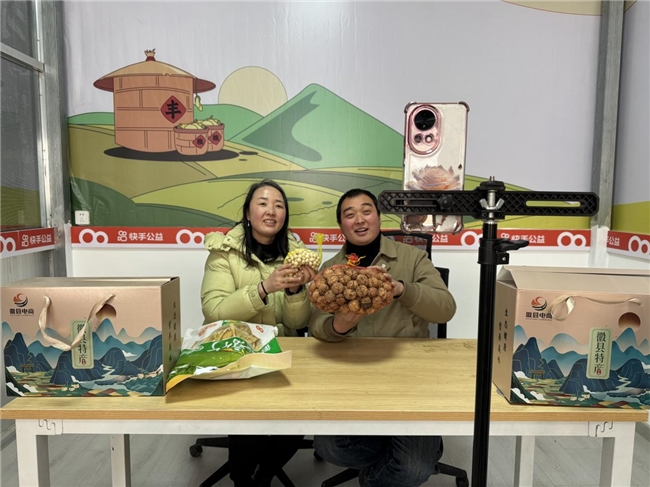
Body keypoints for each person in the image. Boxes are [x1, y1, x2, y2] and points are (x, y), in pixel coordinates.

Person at [309, 188, 457, 487]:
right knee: (328, 446)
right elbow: (316, 325)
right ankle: (409, 449)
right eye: (349, 214)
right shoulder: (331, 270)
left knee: (413, 469)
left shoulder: (413, 258)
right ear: (341, 225)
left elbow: (445, 309)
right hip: (352, 377)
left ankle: (392, 466)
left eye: (367, 211)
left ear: (378, 217)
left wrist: (402, 289)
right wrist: (338, 326)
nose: (359, 219)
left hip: (408, 378)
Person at [201, 179, 316, 487]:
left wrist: (294, 290)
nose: (271, 211)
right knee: (249, 420)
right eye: (263, 203)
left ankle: (265, 472)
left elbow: (299, 322)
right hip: (238, 352)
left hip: (284, 354)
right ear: (248, 213)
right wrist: (263, 288)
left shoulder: (296, 255)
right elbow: (214, 311)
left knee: (299, 417)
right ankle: (241, 477)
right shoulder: (223, 252)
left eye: (279, 205)